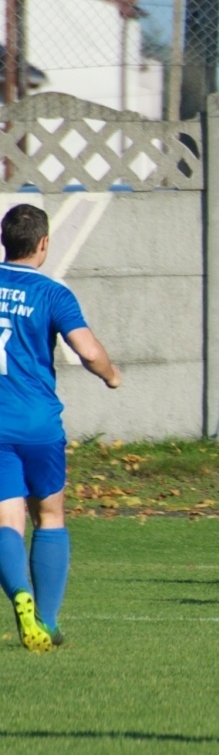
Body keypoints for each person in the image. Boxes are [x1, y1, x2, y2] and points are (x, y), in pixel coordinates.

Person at [0, 203, 122, 653]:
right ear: (45, 244)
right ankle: (46, 623)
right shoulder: (52, 294)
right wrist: (111, 375)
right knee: (49, 515)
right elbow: (88, 351)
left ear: (4, 240)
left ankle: (20, 596)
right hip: (38, 425)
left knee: (6, 519)